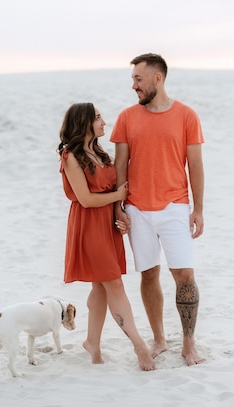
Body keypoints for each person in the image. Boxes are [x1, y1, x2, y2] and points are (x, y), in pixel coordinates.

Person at [110, 53, 206, 366]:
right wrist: (119, 208)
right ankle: (160, 339)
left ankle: (189, 345)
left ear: (157, 78)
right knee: (148, 274)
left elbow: (195, 166)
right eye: (133, 79)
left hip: (175, 207)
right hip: (137, 209)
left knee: (185, 275)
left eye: (138, 79)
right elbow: (120, 164)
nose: (134, 86)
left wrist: (198, 209)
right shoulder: (126, 117)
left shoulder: (187, 115)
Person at [58, 102, 155, 371]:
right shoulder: (71, 156)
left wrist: (119, 213)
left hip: (105, 225)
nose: (104, 122)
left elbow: (111, 190)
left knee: (101, 286)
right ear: (84, 123)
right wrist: (118, 196)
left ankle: (92, 343)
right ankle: (139, 345)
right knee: (113, 284)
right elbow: (87, 200)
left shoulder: (100, 153)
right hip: (88, 225)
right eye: (98, 118)